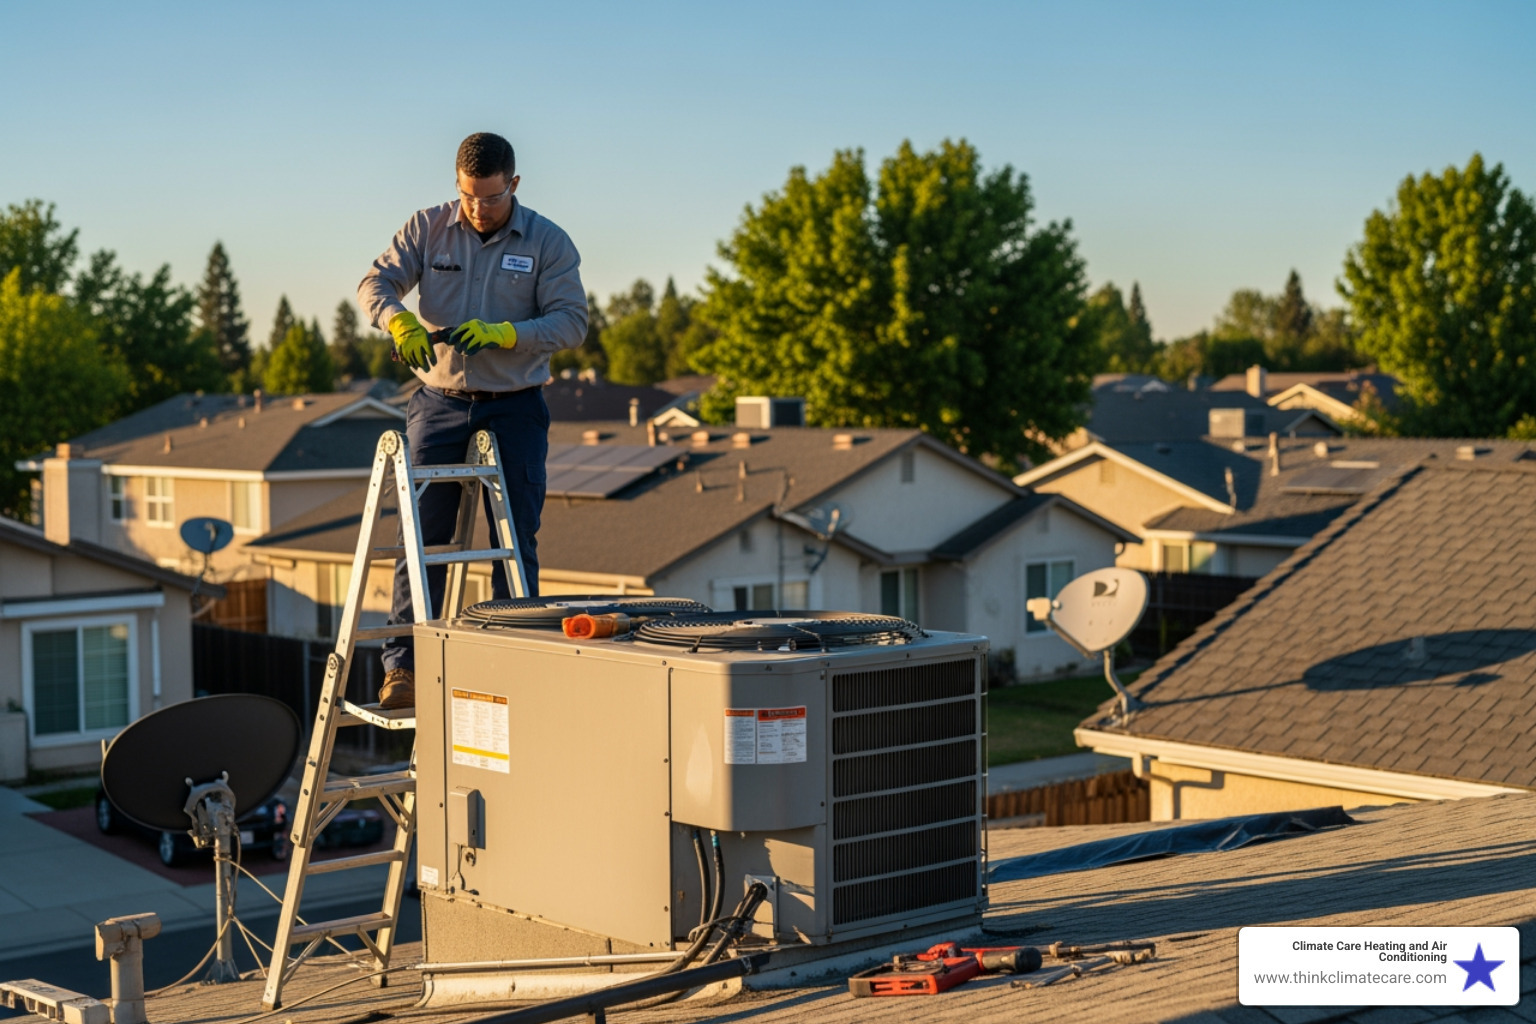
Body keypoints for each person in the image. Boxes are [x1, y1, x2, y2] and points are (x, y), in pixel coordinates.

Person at [358, 132, 587, 709]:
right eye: (466, 196)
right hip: (439, 403)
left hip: (515, 405)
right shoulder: (428, 227)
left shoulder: (547, 242)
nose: (476, 209)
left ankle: (512, 656)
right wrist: (398, 321)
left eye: (488, 198)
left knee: (512, 538)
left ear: (513, 185)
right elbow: (374, 283)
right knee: (421, 539)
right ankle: (403, 669)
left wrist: (509, 334)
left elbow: (571, 323)